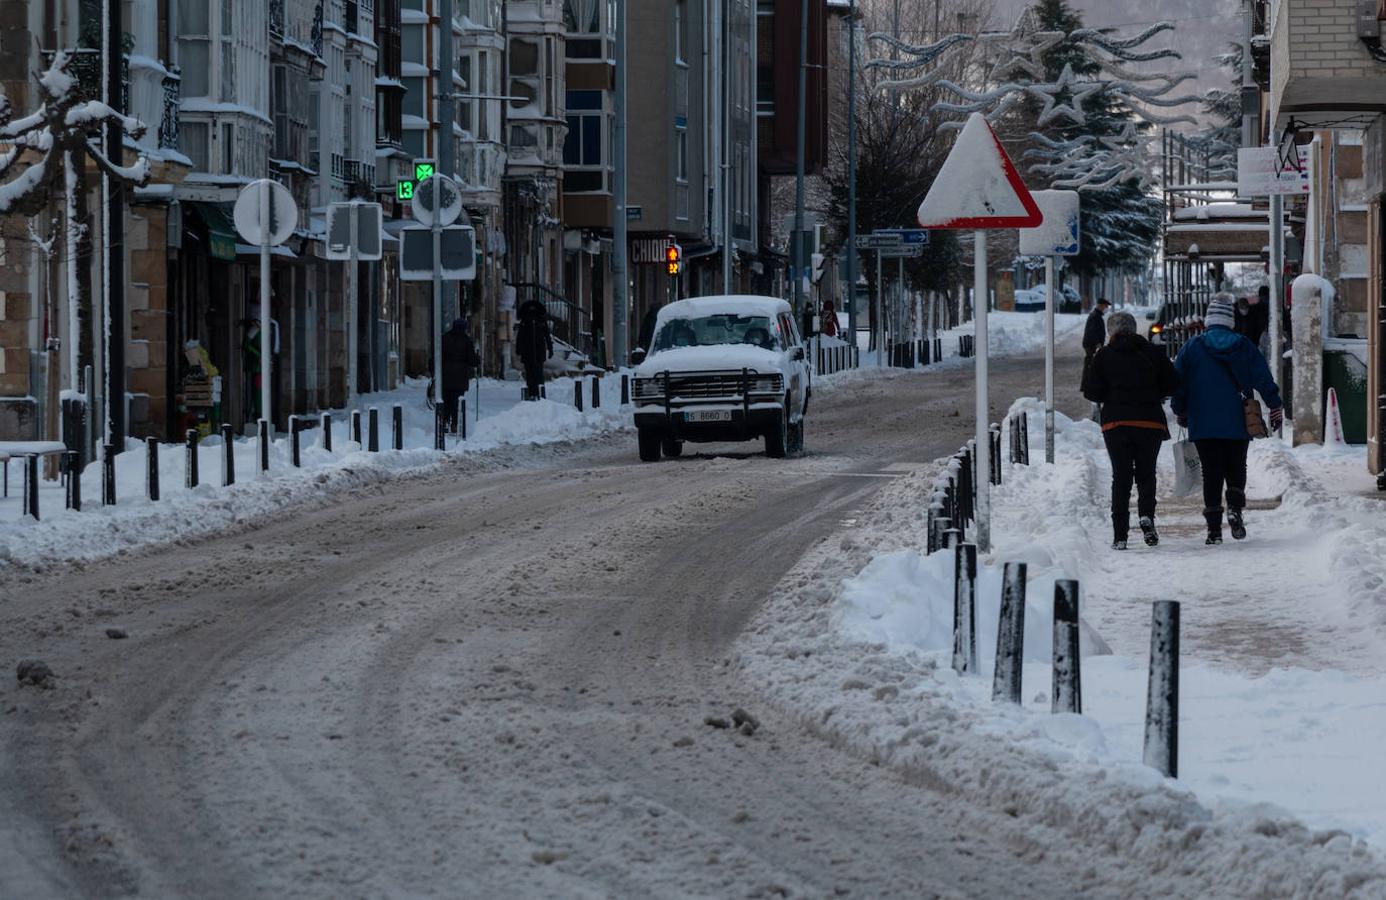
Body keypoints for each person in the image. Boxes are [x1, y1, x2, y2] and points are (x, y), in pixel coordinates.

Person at [1171, 293, 1284, 545]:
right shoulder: (1244, 345)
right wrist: (1274, 404)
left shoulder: (1192, 347)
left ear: (1209, 320)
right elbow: (1263, 378)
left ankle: (1213, 530)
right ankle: (1235, 510)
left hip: (1203, 421)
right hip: (1237, 419)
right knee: (1236, 467)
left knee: (1211, 472)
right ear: (1230, 320)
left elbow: (1178, 384)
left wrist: (1181, 409)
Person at [1081, 311, 1180, 550]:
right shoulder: (1153, 353)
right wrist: (1155, 392)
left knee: (1121, 476)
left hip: (1116, 424)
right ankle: (1146, 517)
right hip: (1150, 423)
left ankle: (1120, 535)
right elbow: (1174, 384)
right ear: (1134, 329)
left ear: (1111, 331)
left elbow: (1091, 392)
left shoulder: (1103, 356)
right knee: (1146, 474)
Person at [440, 318, 480, 431]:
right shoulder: (466, 340)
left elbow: (438, 355)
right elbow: (472, 360)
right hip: (460, 377)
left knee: (446, 399)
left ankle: (444, 421)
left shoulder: (444, 338)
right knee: (456, 401)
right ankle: (454, 424)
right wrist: (477, 360)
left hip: (446, 375)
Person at [515, 298, 553, 401]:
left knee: (537, 372)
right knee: (531, 372)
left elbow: (547, 335)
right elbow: (520, 336)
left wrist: (550, 348)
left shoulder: (540, 321)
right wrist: (519, 349)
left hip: (538, 351)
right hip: (529, 352)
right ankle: (532, 392)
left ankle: (538, 392)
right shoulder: (525, 321)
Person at [1082, 298, 1111, 418]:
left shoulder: (1096, 316)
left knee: (1092, 370)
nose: (1106, 308)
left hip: (1093, 347)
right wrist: (1097, 345)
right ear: (1100, 305)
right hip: (1092, 348)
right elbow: (1092, 333)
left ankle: (1091, 391)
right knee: (1092, 370)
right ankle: (1091, 391)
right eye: (1105, 306)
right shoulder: (1095, 317)